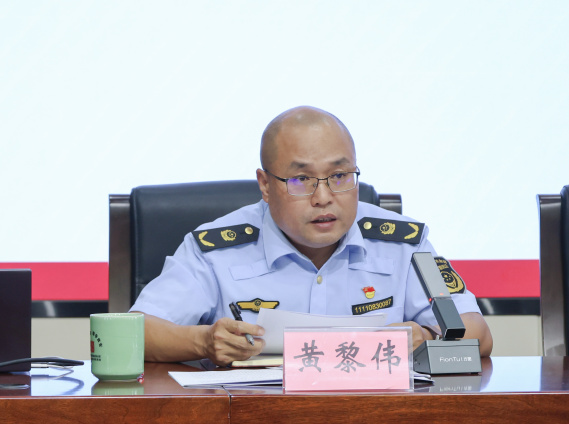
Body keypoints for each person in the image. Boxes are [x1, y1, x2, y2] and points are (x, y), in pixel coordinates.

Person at [130, 106, 493, 366]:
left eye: (340, 176)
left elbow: (477, 333)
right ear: (265, 185)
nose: (323, 197)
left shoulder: (403, 244)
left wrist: (428, 339)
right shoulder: (215, 250)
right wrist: (204, 341)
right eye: (301, 179)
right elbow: (135, 332)